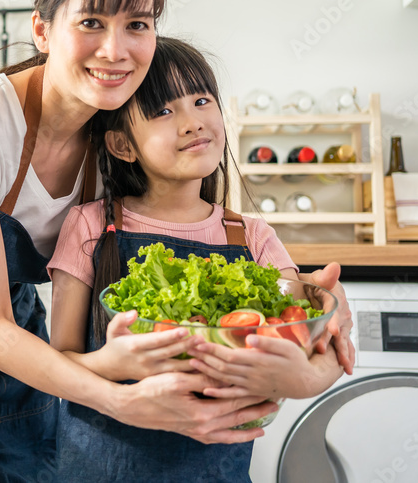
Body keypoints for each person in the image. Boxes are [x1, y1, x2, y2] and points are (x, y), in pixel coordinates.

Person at [0, 0, 354, 483]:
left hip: (26, 354)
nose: (116, 50)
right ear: (43, 31)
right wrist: (119, 399)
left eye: (137, 25)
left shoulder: (113, 139)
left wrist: (321, 325)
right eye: (91, 22)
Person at [48, 36, 346, 482]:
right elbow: (59, 361)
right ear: (122, 145)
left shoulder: (252, 236)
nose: (192, 122)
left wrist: (318, 339)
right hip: (98, 466)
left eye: (201, 100)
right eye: (164, 111)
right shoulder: (91, 226)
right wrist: (112, 363)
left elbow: (303, 335)